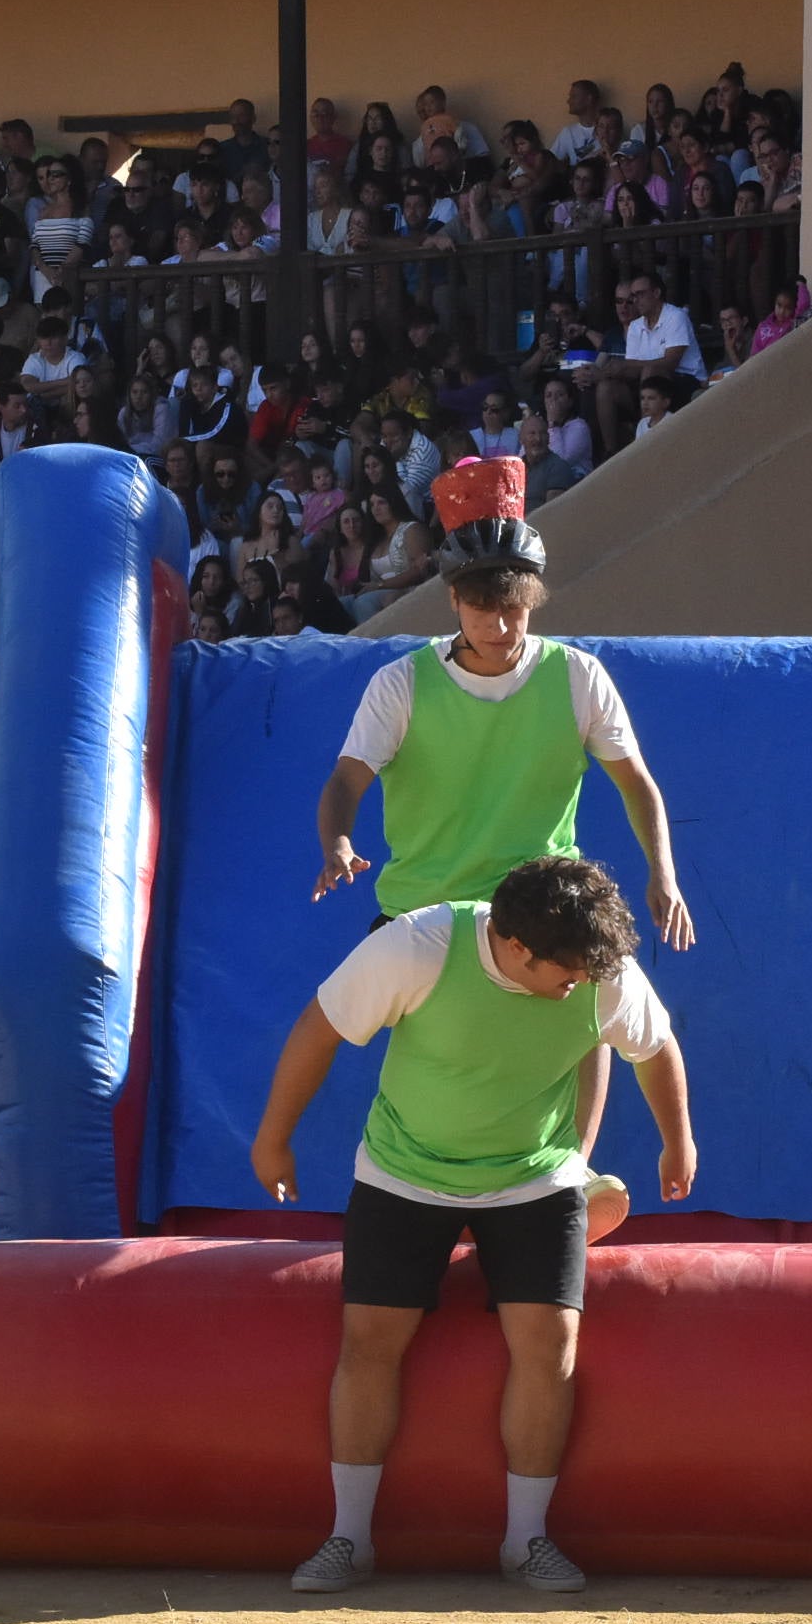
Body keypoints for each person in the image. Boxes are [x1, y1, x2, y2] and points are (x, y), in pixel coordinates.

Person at [254, 855, 698, 1595]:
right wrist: (273, 1138)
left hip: (536, 1178)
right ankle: (348, 1539)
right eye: (567, 975)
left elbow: (654, 1049)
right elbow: (320, 1027)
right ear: (517, 947)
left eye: (590, 974)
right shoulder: (420, 946)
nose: (580, 987)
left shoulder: (600, 969)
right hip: (404, 1173)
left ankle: (527, 1541)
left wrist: (677, 1140)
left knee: (550, 1343)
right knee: (370, 1342)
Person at [313, 458, 691, 1232]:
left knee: (589, 990)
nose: (501, 624)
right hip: (427, 908)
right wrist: (338, 842)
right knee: (450, 1059)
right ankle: (426, 1198)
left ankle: (569, 1176)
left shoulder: (578, 677)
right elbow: (347, 778)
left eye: (514, 607)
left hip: (540, 896)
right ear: (455, 601)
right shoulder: (402, 685)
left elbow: (637, 784)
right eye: (485, 607)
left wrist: (665, 876)